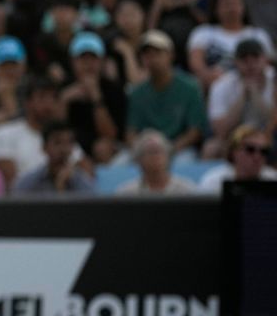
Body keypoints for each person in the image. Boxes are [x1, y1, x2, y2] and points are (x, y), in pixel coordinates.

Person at [127, 30, 207, 162]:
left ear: (171, 55)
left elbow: (195, 131)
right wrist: (140, 150)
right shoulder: (137, 92)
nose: (152, 59)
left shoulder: (190, 87)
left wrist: (170, 150)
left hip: (179, 149)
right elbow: (131, 131)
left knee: (184, 162)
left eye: (157, 53)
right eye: (147, 54)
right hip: (145, 149)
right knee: (120, 164)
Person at [188, 0, 273, 87]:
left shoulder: (258, 35)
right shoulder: (203, 33)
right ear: (215, 7)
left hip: (252, 87)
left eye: (236, 2)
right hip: (214, 85)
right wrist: (209, 76)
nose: (232, 7)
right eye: (226, 3)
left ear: (244, 6)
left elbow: (267, 66)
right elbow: (196, 65)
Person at [59, 32, 126, 163]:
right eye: (83, 59)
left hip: (106, 150)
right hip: (71, 146)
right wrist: (64, 101)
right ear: (73, 62)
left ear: (102, 61)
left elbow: (111, 135)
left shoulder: (114, 89)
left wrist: (96, 98)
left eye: (93, 58)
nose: (88, 64)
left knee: (102, 148)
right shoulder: (63, 88)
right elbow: (56, 130)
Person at [0, 77, 63, 187]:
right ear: (27, 102)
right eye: (42, 97)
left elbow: (84, 173)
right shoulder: (4, 133)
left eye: (54, 98)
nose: (49, 104)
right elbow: (13, 185)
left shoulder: (63, 137)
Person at [207, 39, 274, 153]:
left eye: (255, 58)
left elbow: (274, 123)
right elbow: (220, 131)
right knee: (211, 148)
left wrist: (256, 96)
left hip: (269, 136)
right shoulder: (221, 85)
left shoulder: (274, 80)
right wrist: (243, 97)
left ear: (265, 59)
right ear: (236, 61)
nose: (250, 64)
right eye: (244, 59)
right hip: (234, 140)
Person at [13, 123, 95, 195]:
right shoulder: (29, 182)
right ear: (44, 147)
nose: (64, 150)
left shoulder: (81, 181)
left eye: (69, 143)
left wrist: (62, 188)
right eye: (57, 143)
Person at [199, 125, 277, 193]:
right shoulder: (214, 182)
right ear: (233, 151)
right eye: (250, 149)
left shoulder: (273, 179)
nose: (257, 156)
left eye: (264, 151)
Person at [116, 131, 197, 195]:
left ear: (168, 157)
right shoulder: (127, 193)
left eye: (159, 151)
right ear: (139, 160)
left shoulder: (187, 190)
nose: (155, 156)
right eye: (150, 152)